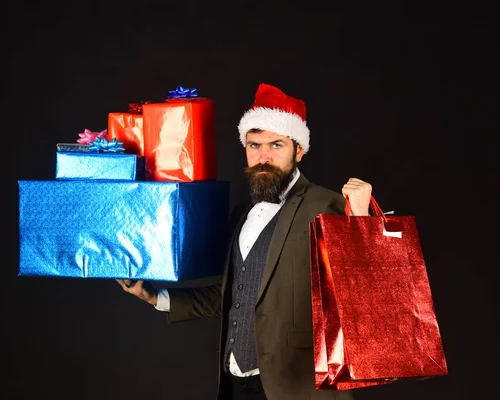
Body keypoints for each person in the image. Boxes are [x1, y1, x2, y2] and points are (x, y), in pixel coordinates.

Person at [117, 83, 372, 400]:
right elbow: (232, 296)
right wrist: (154, 296)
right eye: (254, 146)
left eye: (276, 145)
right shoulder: (241, 214)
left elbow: (361, 301)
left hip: (298, 389)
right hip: (236, 386)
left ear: (299, 150)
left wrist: (361, 223)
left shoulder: (326, 205)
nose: (263, 156)